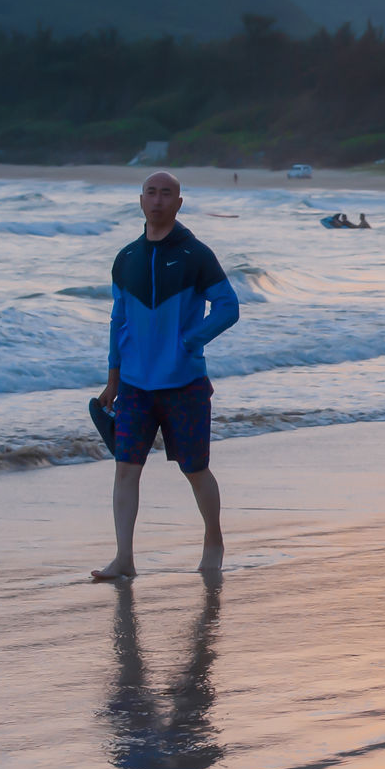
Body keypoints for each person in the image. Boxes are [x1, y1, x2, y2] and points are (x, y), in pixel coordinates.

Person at [91, 172, 242, 581]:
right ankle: (124, 558)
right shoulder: (126, 258)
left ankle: (214, 541)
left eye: (166, 194)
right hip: (135, 386)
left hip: (184, 384)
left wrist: (190, 341)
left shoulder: (195, 254)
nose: (158, 200)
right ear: (140, 200)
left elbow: (228, 307)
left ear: (179, 203)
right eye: (151, 193)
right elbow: (118, 320)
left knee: (194, 469)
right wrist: (113, 379)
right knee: (126, 468)